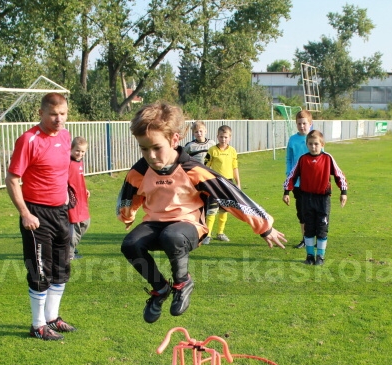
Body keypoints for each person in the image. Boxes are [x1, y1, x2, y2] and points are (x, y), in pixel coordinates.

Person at [118, 102, 287, 323]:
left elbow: (231, 196)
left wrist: (264, 227)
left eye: (156, 147)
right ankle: (160, 289)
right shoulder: (139, 171)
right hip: (154, 223)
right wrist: (128, 215)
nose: (150, 155)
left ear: (174, 139)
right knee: (129, 244)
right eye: (144, 148)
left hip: (188, 226)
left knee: (173, 236)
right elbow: (129, 195)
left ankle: (182, 282)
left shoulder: (193, 170)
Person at [5, 92, 77, 341]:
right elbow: (13, 179)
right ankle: (37, 325)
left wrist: (67, 192)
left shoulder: (66, 136)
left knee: (61, 266)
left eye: (63, 114)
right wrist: (25, 213)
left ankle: (52, 318)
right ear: (41, 113)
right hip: (36, 214)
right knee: (40, 270)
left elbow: (61, 169)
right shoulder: (28, 140)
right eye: (54, 114)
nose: (59, 119)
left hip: (60, 212)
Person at [282, 130, 348, 267]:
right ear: (307, 144)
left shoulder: (328, 158)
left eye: (316, 144)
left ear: (322, 144)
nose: (313, 147)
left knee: (322, 228)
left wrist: (343, 191)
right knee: (309, 228)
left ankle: (321, 256)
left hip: (323, 199)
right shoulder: (302, 159)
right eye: (310, 144)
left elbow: (339, 175)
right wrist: (286, 192)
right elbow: (292, 176)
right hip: (307, 198)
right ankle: (310, 256)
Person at [205, 125, 240, 243]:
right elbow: (205, 167)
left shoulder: (232, 151)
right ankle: (207, 235)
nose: (223, 139)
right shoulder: (212, 150)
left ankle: (220, 233)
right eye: (221, 137)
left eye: (225, 137)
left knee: (224, 209)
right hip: (215, 183)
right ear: (217, 136)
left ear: (230, 137)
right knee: (211, 209)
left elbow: (235, 168)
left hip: (228, 183)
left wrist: (238, 183)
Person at [285, 110, 313, 249]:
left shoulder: (314, 139)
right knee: (301, 212)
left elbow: (321, 158)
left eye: (304, 123)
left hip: (313, 183)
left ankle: (316, 237)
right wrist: (289, 174)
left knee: (313, 211)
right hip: (297, 183)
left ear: (310, 123)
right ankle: (305, 239)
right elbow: (289, 158)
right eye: (299, 123)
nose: (302, 126)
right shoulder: (292, 139)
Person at [67, 137, 90, 260]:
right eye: (77, 150)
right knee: (74, 227)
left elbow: (78, 178)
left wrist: (84, 189)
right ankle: (69, 254)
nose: (80, 154)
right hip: (73, 200)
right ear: (71, 149)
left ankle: (69, 247)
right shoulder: (67, 163)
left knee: (85, 223)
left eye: (83, 151)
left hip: (82, 198)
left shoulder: (79, 162)